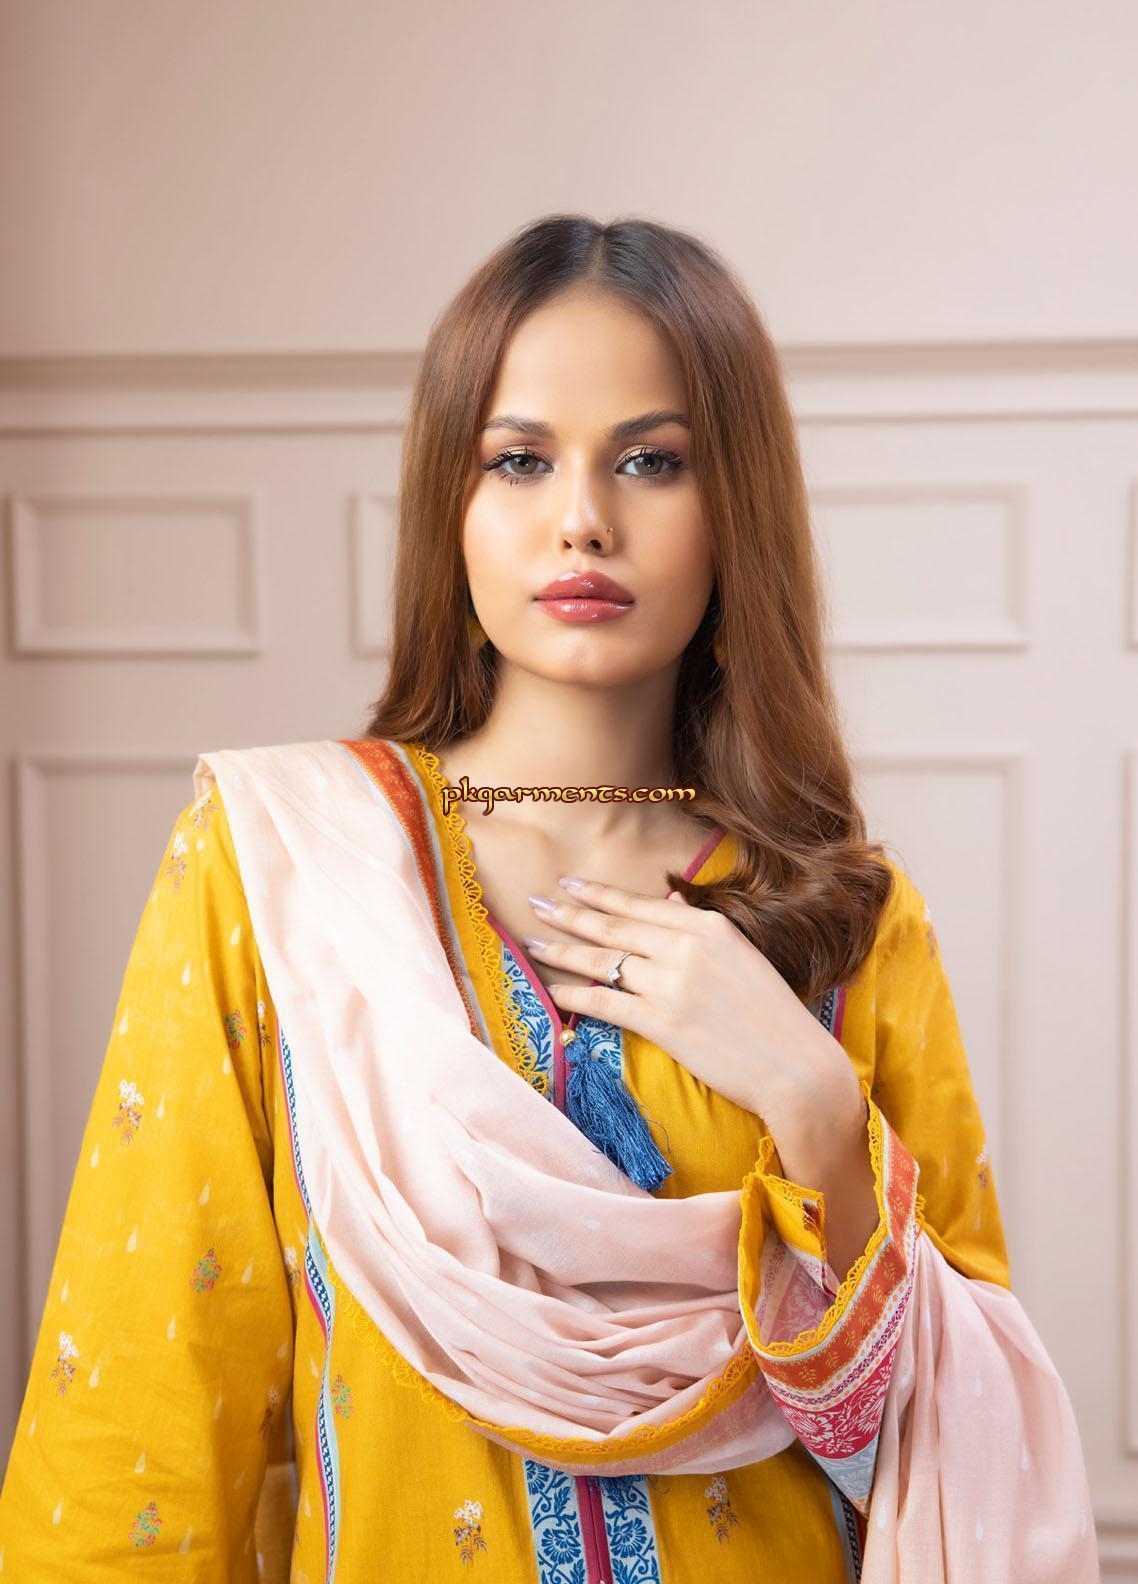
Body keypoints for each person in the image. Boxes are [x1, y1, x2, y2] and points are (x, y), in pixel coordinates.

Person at [0, 214, 1099, 1582]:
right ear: (449, 506)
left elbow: (952, 1454)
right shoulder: (283, 870)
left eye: (650, 460)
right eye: (518, 460)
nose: (583, 518)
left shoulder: (843, 917)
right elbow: (144, 1416)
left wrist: (815, 1110)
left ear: (735, 507)